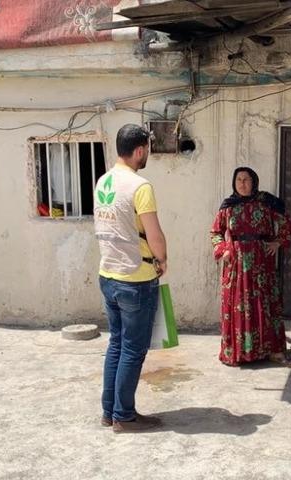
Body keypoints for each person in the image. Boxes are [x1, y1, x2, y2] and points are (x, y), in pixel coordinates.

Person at [95, 124, 168, 433]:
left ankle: (109, 411)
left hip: (108, 274)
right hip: (135, 278)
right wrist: (162, 260)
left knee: (116, 344)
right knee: (133, 349)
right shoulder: (140, 186)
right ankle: (124, 416)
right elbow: (154, 233)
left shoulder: (103, 181)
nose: (147, 153)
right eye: (147, 149)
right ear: (139, 150)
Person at [210, 167, 291, 367]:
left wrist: (277, 242)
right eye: (238, 179)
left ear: (254, 181)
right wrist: (223, 250)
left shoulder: (265, 203)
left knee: (265, 304)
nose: (242, 183)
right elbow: (215, 231)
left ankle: (272, 351)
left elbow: (287, 223)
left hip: (261, 263)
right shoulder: (228, 207)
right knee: (239, 306)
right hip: (235, 264)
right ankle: (238, 353)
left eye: (246, 179)